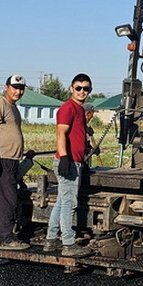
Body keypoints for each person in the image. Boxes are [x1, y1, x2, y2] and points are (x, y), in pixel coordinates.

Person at [43, 73, 95, 257]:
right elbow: (61, 133)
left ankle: (50, 240)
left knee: (61, 202)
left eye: (86, 88)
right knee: (69, 203)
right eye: (78, 88)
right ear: (71, 89)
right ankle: (68, 243)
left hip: (75, 161)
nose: (82, 91)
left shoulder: (80, 109)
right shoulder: (68, 108)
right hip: (68, 162)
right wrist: (65, 157)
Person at [0, 74, 31, 251]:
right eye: (15, 87)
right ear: (6, 87)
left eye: (21, 88)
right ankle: (7, 238)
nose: (18, 91)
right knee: (9, 199)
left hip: (11, 158)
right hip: (3, 159)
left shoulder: (13, 107)